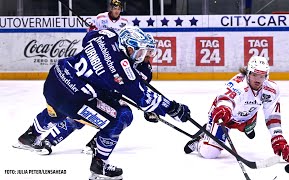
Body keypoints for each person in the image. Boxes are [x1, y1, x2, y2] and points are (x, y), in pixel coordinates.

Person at [16, 26, 190, 180]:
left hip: (55, 79)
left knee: (64, 107)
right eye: (140, 52)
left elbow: (88, 37)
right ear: (128, 48)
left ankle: (30, 136)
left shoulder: (107, 35)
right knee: (122, 116)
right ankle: (100, 165)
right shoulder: (122, 70)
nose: (144, 56)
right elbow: (144, 98)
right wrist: (174, 108)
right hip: (74, 99)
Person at [183, 56, 289, 163]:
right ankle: (199, 142)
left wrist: (278, 137)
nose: (258, 80)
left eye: (261, 76)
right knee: (210, 153)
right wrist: (224, 109)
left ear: (267, 76)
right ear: (248, 73)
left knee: (250, 130)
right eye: (254, 75)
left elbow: (272, 116)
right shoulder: (238, 85)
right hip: (224, 118)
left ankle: (245, 128)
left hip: (248, 119)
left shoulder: (271, 90)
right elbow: (227, 99)